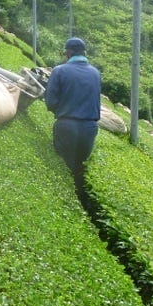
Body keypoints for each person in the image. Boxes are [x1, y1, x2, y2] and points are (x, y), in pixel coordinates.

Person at [44, 37, 102, 193]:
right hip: (90, 128)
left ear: (67, 53)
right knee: (79, 168)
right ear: (84, 53)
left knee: (63, 167)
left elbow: (50, 101)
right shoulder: (95, 73)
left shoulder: (59, 70)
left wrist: (62, 112)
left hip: (67, 125)